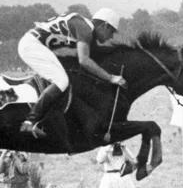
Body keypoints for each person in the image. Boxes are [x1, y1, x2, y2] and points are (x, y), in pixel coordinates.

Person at [17, 8, 127, 139]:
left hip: (35, 44)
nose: (111, 36)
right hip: (32, 45)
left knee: (62, 78)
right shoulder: (85, 29)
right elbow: (84, 61)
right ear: (104, 26)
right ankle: (30, 121)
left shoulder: (85, 29)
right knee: (61, 81)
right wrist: (111, 78)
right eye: (112, 32)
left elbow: (95, 52)